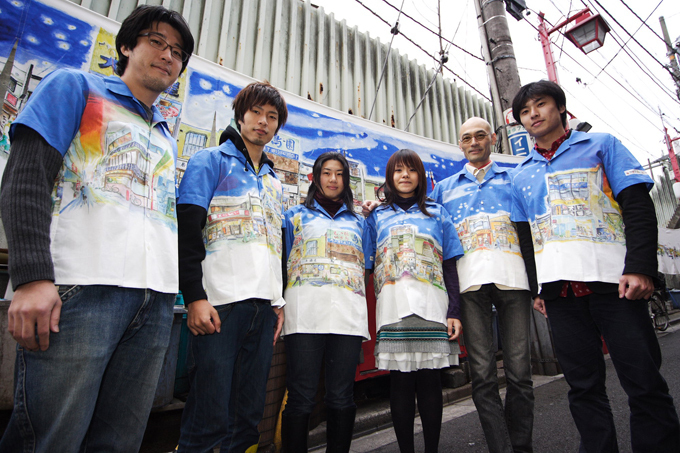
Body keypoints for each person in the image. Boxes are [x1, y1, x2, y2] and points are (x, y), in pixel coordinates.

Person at [0, 5, 194, 452]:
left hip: (154, 302)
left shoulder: (165, 132)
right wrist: (31, 278)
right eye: (157, 42)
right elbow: (26, 177)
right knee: (50, 438)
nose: (168, 55)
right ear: (126, 46)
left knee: (119, 441)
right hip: (81, 291)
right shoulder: (76, 88)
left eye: (178, 51)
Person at [510, 80, 680, 452]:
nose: (533, 114)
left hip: (616, 283)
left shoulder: (601, 145)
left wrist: (641, 268)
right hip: (561, 294)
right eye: (525, 111)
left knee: (643, 381)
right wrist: (538, 287)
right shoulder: (519, 173)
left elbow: (637, 206)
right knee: (583, 387)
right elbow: (527, 236)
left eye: (541, 105)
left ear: (561, 109)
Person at [176, 80, 288, 453]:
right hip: (219, 306)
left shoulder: (274, 182)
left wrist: (279, 302)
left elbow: (276, 245)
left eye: (272, 117)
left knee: (247, 418)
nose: (263, 122)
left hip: (263, 309)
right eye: (256, 112)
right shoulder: (209, 161)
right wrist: (194, 296)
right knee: (209, 418)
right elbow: (187, 232)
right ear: (240, 116)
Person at [431, 117, 534, 453]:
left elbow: (530, 233)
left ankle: (521, 446)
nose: (473, 142)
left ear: (492, 138)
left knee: (519, 372)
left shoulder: (514, 179)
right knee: (483, 375)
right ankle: (501, 448)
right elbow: (421, 217)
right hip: (469, 285)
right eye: (466, 138)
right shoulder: (444, 189)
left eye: (479, 136)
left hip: (514, 280)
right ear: (459, 144)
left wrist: (538, 286)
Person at [364, 149, 463, 453]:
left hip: (432, 308)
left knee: (431, 384)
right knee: (401, 384)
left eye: (411, 170)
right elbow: (366, 265)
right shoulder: (376, 216)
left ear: (420, 177)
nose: (405, 175)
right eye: (398, 171)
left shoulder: (438, 213)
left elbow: (449, 265)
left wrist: (454, 311)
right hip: (393, 309)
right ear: (390, 178)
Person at [281, 152, 369, 452]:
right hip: (303, 315)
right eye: (327, 172)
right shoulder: (294, 216)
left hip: (347, 317)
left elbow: (366, 265)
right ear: (316, 177)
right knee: (301, 395)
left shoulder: (360, 222)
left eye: (340, 174)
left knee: (341, 395)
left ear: (346, 180)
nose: (333, 179)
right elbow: (283, 262)